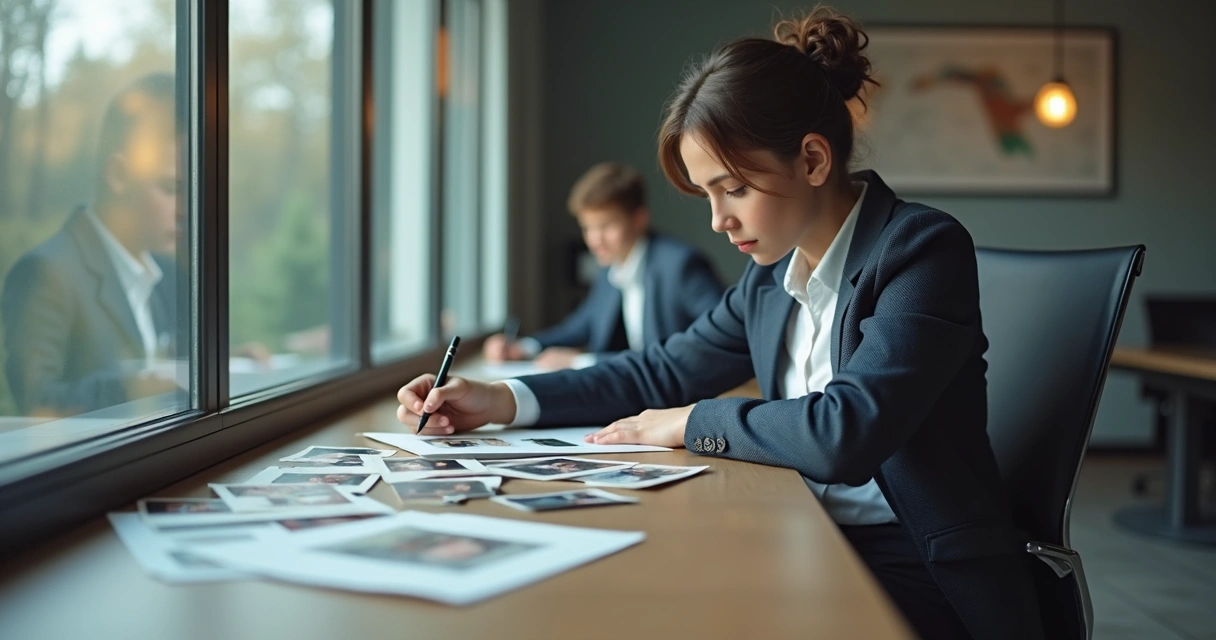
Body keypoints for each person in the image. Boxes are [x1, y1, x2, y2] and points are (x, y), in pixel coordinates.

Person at [398, 8, 1045, 639]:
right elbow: (666, 367)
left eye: (732, 189)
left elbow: (847, 431)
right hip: (807, 528)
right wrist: (503, 399)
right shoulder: (769, 277)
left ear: (814, 161)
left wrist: (688, 420)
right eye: (707, 195)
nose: (717, 220)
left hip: (916, 565)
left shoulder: (920, 249)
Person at [1, 73, 183, 416]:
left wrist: (224, 366)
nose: (187, 209)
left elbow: (169, 373)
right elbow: (35, 403)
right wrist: (132, 387)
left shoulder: (165, 275)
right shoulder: (45, 273)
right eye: (172, 188)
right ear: (118, 176)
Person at [482, 162, 724, 370]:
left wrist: (582, 362)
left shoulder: (680, 265)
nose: (595, 240)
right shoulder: (610, 266)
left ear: (639, 220)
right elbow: (582, 325)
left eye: (606, 226)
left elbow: (719, 339)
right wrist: (522, 347)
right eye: (588, 228)